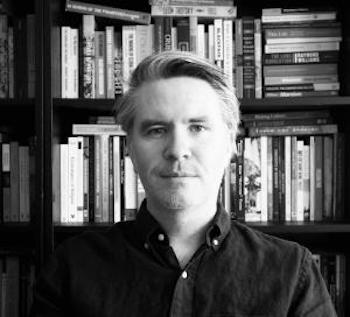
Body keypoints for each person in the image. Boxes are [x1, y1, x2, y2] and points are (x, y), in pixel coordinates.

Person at [31, 51, 336, 317]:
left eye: (198, 127)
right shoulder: (73, 267)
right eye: (156, 130)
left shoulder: (293, 270)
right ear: (130, 149)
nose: (177, 149)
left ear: (231, 144)